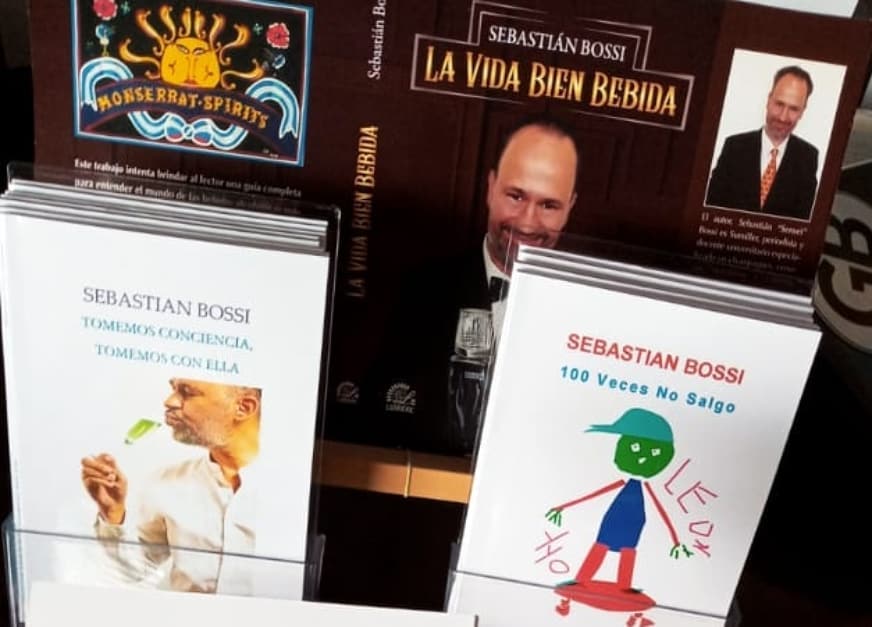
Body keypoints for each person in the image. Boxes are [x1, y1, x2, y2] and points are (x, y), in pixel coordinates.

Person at [367, 114, 580, 454]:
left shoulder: (585, 313)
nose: (528, 222)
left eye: (548, 205)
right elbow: (376, 419)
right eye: (516, 196)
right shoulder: (420, 289)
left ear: (569, 208)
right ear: (491, 189)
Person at [80, 377, 262, 592]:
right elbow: (131, 571)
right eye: (173, 389)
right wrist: (113, 512)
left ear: (243, 407)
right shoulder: (166, 482)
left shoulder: (288, 492)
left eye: (187, 392)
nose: (169, 401)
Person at [705, 65, 819, 220]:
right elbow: (710, 209)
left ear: (802, 111)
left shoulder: (808, 157)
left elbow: (801, 222)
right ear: (768, 100)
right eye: (779, 104)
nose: (783, 117)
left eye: (793, 109)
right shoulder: (734, 147)